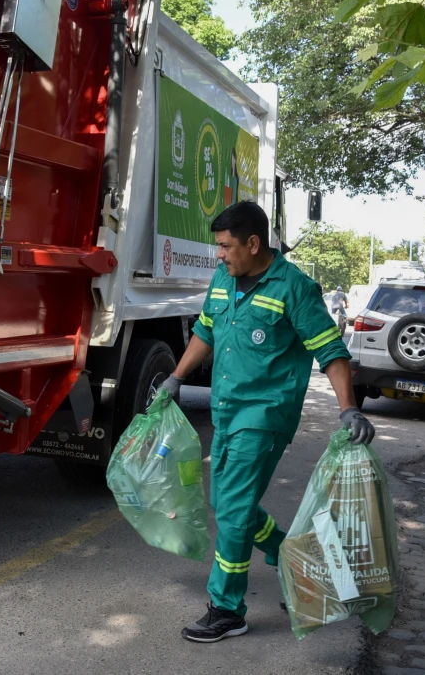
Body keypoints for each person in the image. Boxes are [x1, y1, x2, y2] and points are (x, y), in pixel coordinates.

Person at [160, 201, 374, 643]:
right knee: (225, 499)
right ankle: (299, 562)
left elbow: (330, 351)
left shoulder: (294, 288)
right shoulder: (225, 278)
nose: (219, 255)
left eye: (225, 246)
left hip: (265, 413)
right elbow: (205, 331)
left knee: (234, 511)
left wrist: (348, 407)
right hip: (226, 408)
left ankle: (226, 608)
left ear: (253, 243)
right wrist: (176, 378)